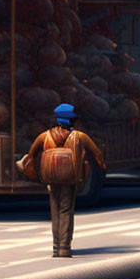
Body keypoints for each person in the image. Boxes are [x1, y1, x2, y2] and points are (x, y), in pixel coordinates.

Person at [24, 103, 106, 258]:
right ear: (72, 120)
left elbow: (31, 154)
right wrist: (102, 166)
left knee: (55, 209)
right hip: (70, 178)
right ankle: (64, 247)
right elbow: (97, 153)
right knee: (66, 210)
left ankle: (56, 246)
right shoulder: (79, 136)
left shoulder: (44, 136)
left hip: (51, 178)